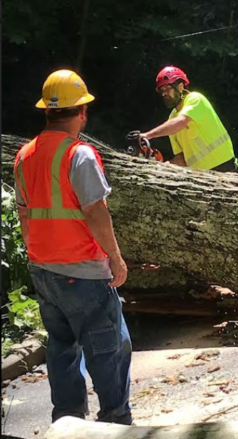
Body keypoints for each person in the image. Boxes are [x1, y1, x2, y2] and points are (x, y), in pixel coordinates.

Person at [14, 69, 132, 424]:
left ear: (47, 111)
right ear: (81, 111)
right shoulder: (79, 155)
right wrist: (116, 259)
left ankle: (67, 422)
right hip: (82, 270)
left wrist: (38, 256)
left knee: (62, 347)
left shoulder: (24, 155)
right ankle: (116, 421)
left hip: (44, 270)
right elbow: (95, 211)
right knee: (109, 348)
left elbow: (24, 215)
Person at [129, 66, 237, 172]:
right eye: (161, 90)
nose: (164, 93)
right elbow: (182, 158)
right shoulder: (172, 118)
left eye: (168, 88)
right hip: (202, 177)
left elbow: (181, 121)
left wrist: (148, 135)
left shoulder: (195, 99)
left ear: (180, 87)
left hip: (224, 169)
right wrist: (162, 167)